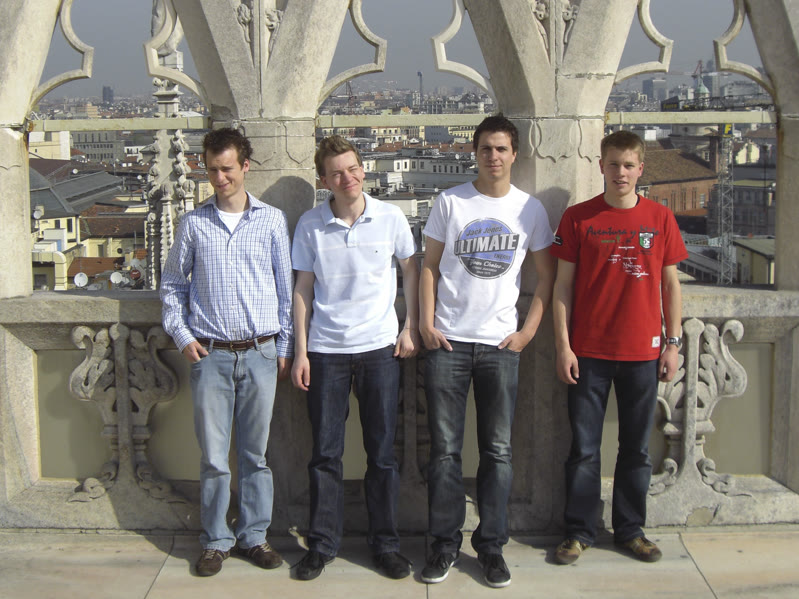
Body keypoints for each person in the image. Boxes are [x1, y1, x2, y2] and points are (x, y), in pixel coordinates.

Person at [419, 114, 555, 588]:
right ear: (473, 153)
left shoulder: (529, 209)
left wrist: (527, 333)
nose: (493, 157)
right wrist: (425, 324)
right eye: (485, 149)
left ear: (514, 154)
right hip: (449, 342)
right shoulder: (450, 202)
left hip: (500, 345)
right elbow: (429, 266)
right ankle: (443, 545)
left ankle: (491, 546)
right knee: (444, 453)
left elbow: (546, 277)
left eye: (501, 149)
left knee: (498, 452)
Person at [160, 128, 293, 577]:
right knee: (215, 458)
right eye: (213, 170)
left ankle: (254, 537)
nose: (220, 178)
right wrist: (183, 337)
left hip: (260, 353)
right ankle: (216, 540)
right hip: (211, 356)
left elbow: (285, 290)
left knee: (255, 455)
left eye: (228, 169)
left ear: (245, 166)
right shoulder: (193, 223)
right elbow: (172, 285)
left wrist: (284, 347)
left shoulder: (271, 220)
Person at [550, 130, 687, 565]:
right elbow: (561, 287)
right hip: (589, 352)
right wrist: (563, 346)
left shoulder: (660, 218)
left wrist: (673, 344)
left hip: (643, 353)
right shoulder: (578, 218)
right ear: (601, 166)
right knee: (584, 449)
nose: (621, 172)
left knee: (636, 450)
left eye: (629, 165)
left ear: (640, 169)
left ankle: (631, 530)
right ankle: (579, 532)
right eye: (614, 164)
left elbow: (670, 285)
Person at [291, 135, 420, 581]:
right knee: (325, 455)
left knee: (382, 454)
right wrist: (301, 351)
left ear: (363, 169)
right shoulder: (310, 224)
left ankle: (386, 545)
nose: (348, 178)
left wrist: (410, 326)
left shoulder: (390, 217)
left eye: (353, 169)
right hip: (326, 351)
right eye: (337, 173)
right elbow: (303, 289)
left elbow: (411, 271)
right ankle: (322, 545)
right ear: (323, 180)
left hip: (380, 348)